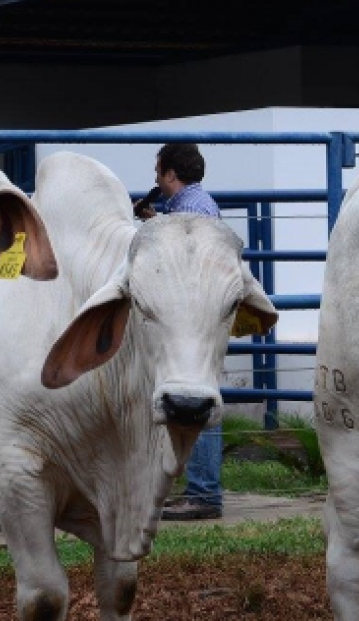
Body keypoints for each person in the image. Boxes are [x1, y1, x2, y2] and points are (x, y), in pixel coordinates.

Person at [137, 143, 225, 521]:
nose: (156, 179)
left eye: (159, 172)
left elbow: (183, 262)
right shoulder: (194, 206)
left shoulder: (189, 212)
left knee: (195, 396)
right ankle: (199, 489)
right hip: (202, 319)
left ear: (171, 173)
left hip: (192, 321)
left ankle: (204, 493)